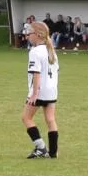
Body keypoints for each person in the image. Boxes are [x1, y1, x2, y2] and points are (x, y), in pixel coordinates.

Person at [23, 20, 60, 159]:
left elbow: (36, 73)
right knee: (50, 119)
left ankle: (41, 148)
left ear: (38, 34)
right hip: (51, 91)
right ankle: (53, 152)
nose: (27, 36)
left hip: (39, 92)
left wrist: (34, 94)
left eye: (29, 33)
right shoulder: (51, 51)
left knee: (26, 118)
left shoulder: (35, 51)